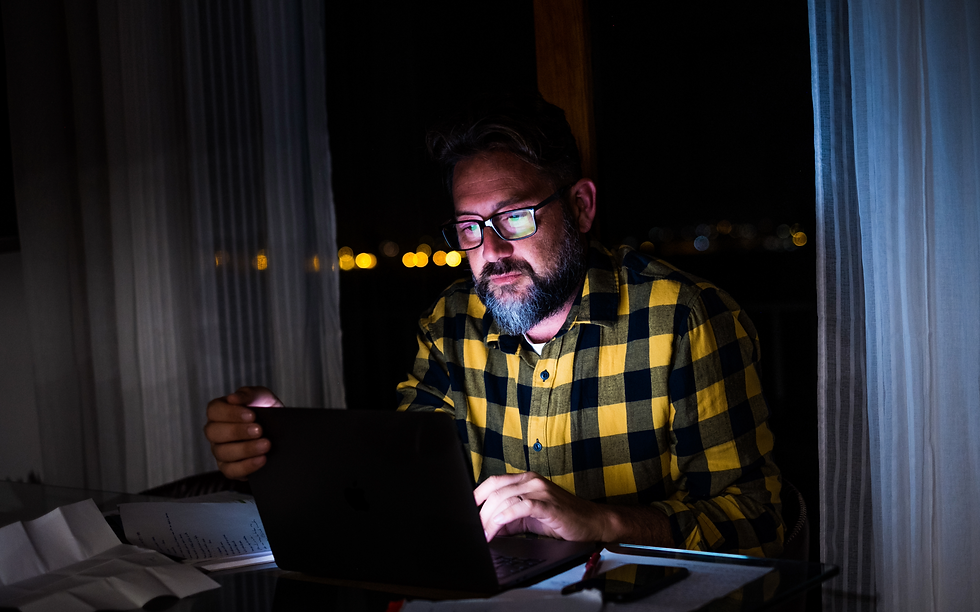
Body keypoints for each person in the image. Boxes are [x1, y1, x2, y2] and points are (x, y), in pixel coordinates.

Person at [205, 95, 784, 557]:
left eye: (514, 216)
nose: (492, 249)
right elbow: (406, 485)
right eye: (470, 227)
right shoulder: (451, 322)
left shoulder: (684, 319)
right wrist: (281, 446)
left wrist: (602, 521)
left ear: (581, 207)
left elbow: (760, 521)